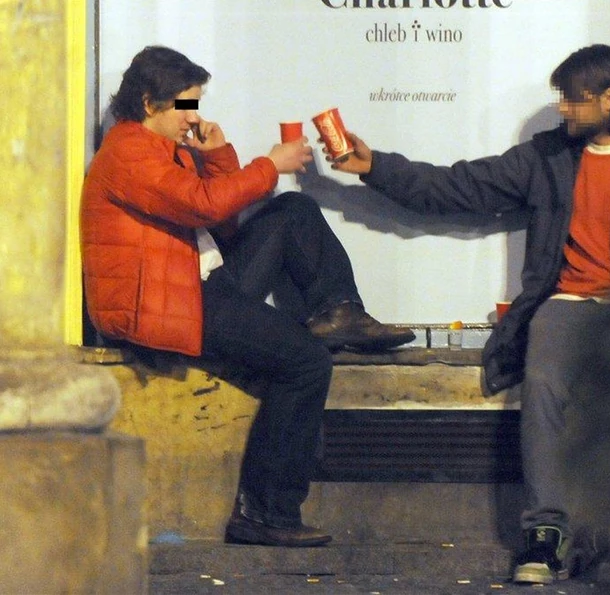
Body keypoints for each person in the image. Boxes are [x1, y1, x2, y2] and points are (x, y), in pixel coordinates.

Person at [328, 44, 610, 583]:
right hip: (568, 303)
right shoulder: (549, 159)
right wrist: (375, 167)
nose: (562, 108)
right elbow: (460, 186)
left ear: (609, 99)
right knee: (541, 382)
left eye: (573, 99)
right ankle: (545, 534)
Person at [80, 46, 414, 548]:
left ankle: (340, 312)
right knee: (306, 362)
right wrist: (268, 165)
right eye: (185, 104)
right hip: (167, 303)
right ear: (149, 102)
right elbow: (201, 205)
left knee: (293, 210)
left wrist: (216, 157)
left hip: (197, 284)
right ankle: (265, 512)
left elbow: (221, 220)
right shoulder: (127, 150)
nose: (193, 116)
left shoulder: (166, 149)